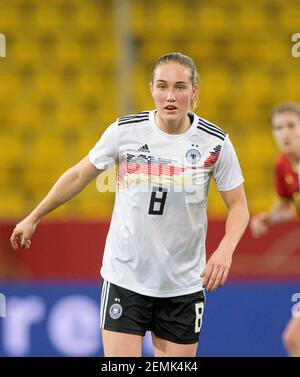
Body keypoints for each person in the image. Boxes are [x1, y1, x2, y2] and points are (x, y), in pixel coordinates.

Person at [10, 52, 249, 357]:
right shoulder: (125, 132)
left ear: (194, 90)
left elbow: (239, 206)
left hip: (183, 284)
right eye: (162, 86)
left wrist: (225, 250)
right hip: (126, 277)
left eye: (180, 87)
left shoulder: (215, 142)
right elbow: (79, 175)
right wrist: (34, 216)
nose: (170, 96)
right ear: (151, 88)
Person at [250, 102, 300, 357]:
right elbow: (287, 206)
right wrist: (266, 219)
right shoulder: (283, 165)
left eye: (291, 126)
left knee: (294, 338)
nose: (285, 133)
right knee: (294, 340)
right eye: (278, 128)